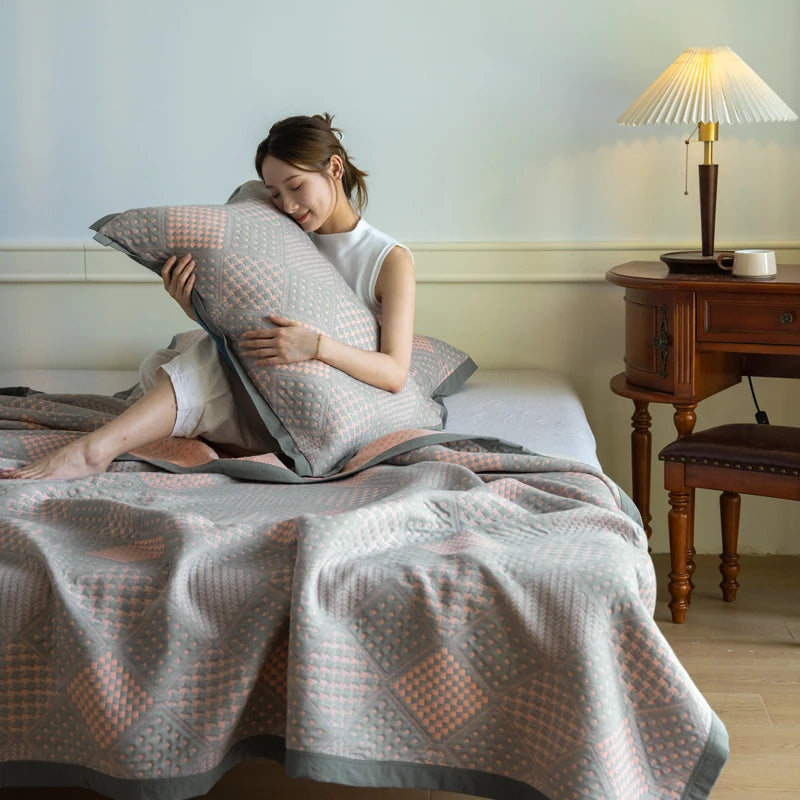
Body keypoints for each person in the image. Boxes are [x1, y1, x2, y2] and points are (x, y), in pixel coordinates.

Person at [1, 114, 416, 481]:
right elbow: (254, 327)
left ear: (335, 168)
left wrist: (316, 346)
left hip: (320, 398)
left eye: (296, 186)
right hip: (267, 378)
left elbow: (395, 372)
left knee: (199, 369)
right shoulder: (284, 236)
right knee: (159, 367)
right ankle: (217, 438)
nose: (288, 205)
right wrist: (195, 307)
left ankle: (93, 451)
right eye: (274, 194)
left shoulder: (389, 260)